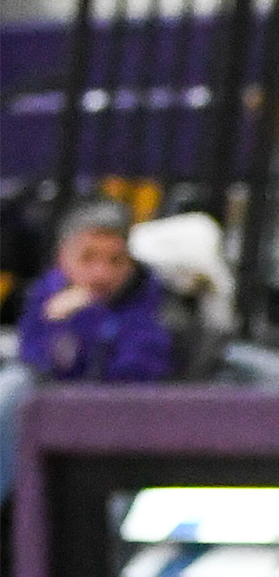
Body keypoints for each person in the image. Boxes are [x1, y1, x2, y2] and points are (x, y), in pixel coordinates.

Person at [0, 197, 174, 502]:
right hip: (50, 425)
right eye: (87, 258)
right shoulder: (45, 298)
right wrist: (61, 325)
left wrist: (91, 318)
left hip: (122, 433)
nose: (101, 274)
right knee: (14, 386)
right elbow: (39, 361)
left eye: (115, 261)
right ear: (62, 259)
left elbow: (133, 378)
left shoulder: (152, 306)